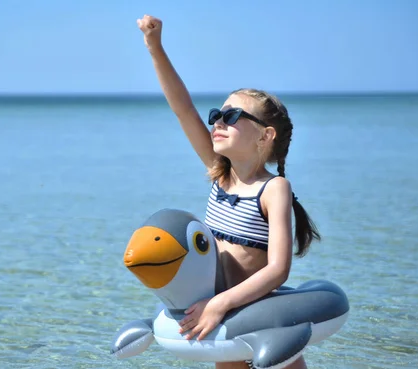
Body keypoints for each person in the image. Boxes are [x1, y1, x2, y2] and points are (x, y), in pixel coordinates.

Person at [136, 14, 321, 369]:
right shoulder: (220, 174)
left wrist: (221, 304)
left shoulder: (274, 189)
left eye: (233, 116)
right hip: (223, 319)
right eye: (217, 113)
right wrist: (155, 48)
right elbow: (183, 109)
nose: (218, 120)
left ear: (265, 136)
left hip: (258, 316)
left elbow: (278, 270)